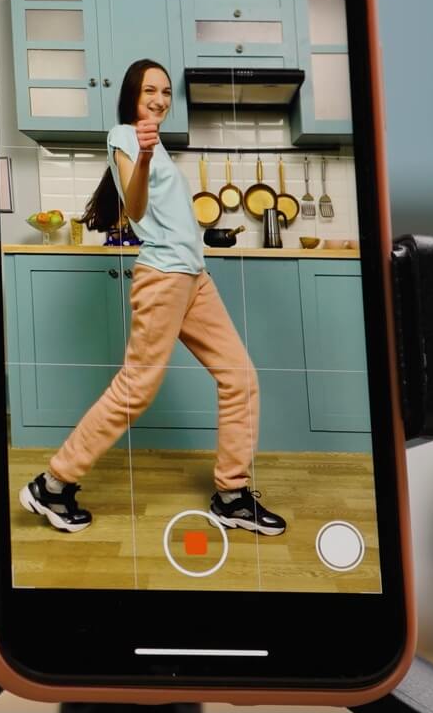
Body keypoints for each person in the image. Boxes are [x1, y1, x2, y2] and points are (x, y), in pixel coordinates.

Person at [18, 58, 287, 538]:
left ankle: (231, 496)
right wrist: (141, 159)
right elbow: (136, 206)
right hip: (164, 278)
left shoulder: (156, 145)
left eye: (165, 91)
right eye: (150, 91)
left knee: (239, 377)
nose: (160, 99)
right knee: (135, 391)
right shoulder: (126, 137)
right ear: (132, 97)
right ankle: (52, 484)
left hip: (193, 278)